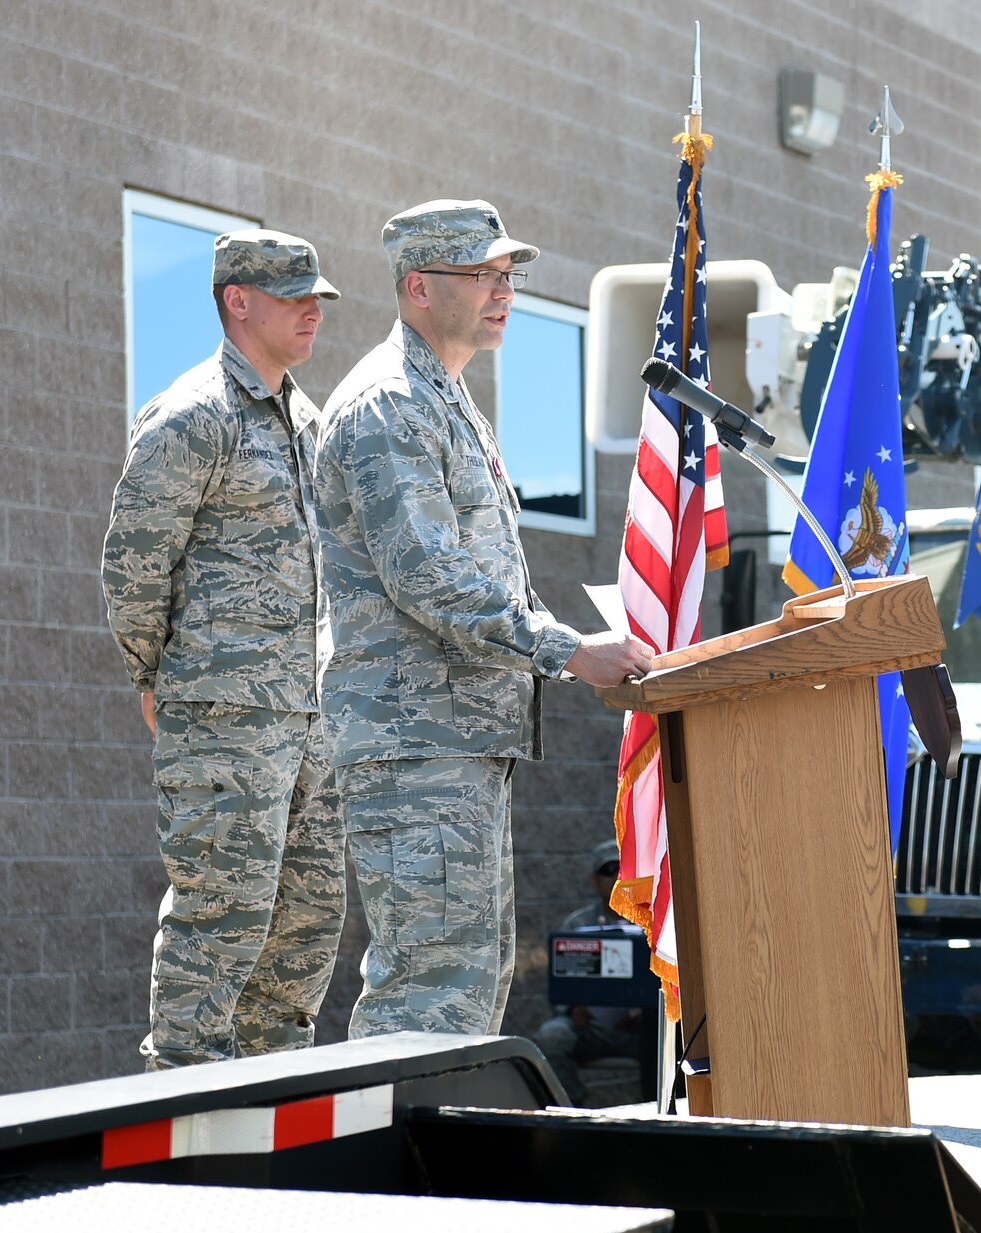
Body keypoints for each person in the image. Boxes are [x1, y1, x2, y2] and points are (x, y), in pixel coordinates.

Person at [313, 199, 653, 1038]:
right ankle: (386, 1172)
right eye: (482, 275)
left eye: (508, 275)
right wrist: (571, 651)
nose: (505, 291)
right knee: (425, 992)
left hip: (457, 740)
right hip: (415, 743)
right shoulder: (389, 405)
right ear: (419, 287)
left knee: (464, 987)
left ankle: (429, 1170)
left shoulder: (448, 401)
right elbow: (432, 581)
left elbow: (474, 574)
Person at [102, 229, 348, 1069]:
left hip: (307, 722)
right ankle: (183, 1129)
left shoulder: (305, 422)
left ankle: (274, 1128)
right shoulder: (193, 415)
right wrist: (155, 677)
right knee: (219, 925)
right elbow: (133, 566)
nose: (313, 310)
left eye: (317, 295)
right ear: (237, 300)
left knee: (305, 932)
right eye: (293, 295)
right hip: (225, 717)